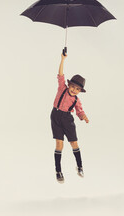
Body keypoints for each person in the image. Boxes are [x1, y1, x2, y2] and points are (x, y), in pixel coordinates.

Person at [50, 51, 89, 183]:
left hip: (67, 119)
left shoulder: (76, 100)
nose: (73, 90)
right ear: (69, 85)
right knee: (59, 144)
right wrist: (62, 59)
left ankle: (79, 166)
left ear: (80, 91)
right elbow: (60, 74)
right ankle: (58, 170)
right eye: (72, 87)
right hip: (55, 116)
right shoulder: (62, 88)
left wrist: (83, 116)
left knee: (74, 143)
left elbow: (79, 111)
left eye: (77, 89)